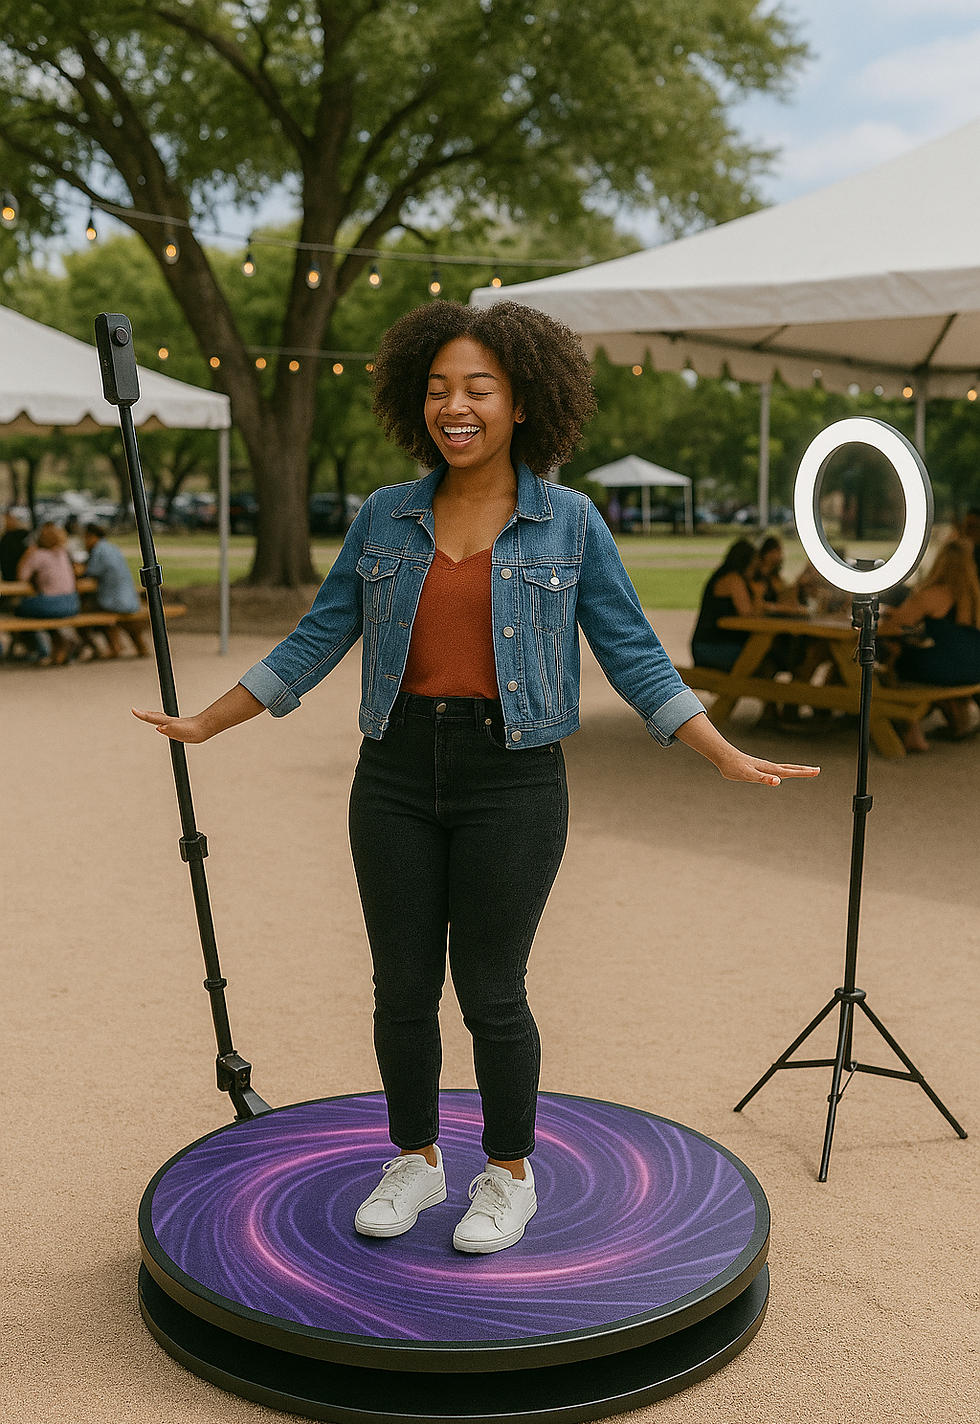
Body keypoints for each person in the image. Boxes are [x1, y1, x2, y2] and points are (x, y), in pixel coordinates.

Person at [133, 300, 818, 1256]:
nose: (456, 406)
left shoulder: (569, 521)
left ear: (523, 402)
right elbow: (323, 631)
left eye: (479, 389)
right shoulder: (386, 514)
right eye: (440, 388)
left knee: (491, 988)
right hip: (397, 773)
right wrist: (212, 720)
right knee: (401, 987)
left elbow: (634, 655)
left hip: (514, 776)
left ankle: (507, 1174)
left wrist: (723, 752)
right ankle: (414, 1158)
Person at [879, 537, 980, 751]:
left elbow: (894, 626)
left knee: (896, 656)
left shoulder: (935, 594)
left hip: (946, 670)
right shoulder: (975, 596)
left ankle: (910, 729)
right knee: (925, 654)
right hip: (975, 669)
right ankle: (956, 721)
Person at [15, 522, 81, 664]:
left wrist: (27, 554)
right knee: (44, 614)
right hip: (72, 602)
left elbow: (21, 576)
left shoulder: (37, 555)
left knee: (19, 610)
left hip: (51, 603)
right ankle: (59, 648)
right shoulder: (62, 553)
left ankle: (38, 649)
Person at [691, 539, 757, 671]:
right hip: (712, 647)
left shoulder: (722, 575)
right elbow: (748, 613)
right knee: (761, 656)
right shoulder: (733, 579)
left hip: (708, 645)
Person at [83, 523, 140, 657]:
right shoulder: (112, 548)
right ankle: (127, 646)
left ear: (92, 537)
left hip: (114, 601)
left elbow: (90, 572)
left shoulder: (98, 550)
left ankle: (107, 647)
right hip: (130, 599)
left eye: (85, 538)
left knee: (86, 611)